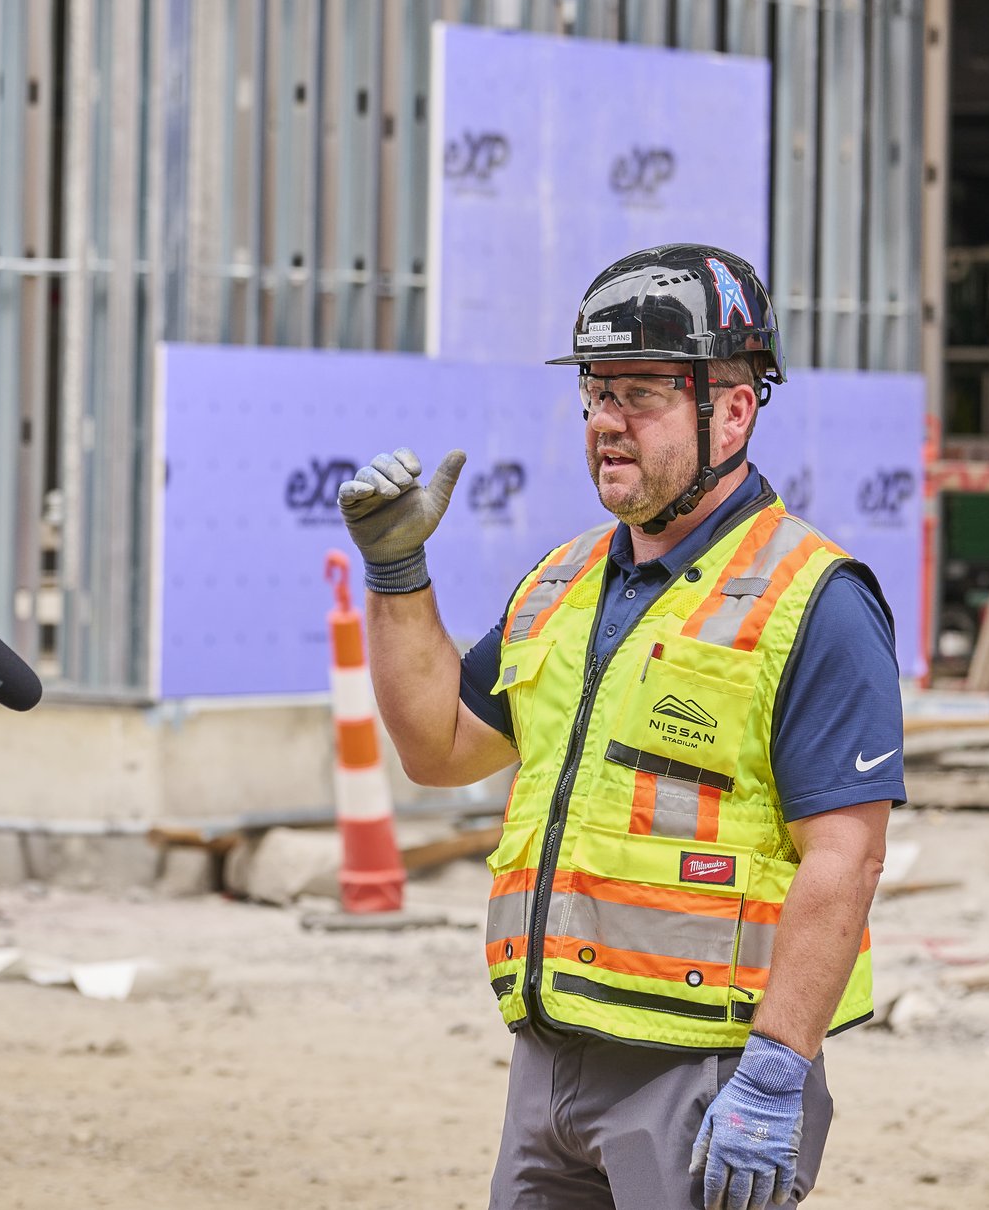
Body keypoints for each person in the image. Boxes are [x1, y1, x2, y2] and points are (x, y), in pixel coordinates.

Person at [344, 244, 907, 1210]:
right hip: (550, 1063)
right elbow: (437, 748)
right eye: (596, 393)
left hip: (705, 1076)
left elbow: (845, 857)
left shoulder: (816, 600)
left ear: (734, 410)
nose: (606, 420)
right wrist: (397, 574)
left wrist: (776, 1070)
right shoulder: (561, 584)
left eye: (641, 394)